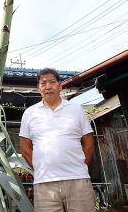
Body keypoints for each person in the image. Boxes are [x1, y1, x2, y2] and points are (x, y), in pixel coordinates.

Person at [19, 68, 96, 212]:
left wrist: (81, 166)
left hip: (77, 180)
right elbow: (24, 147)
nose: (48, 86)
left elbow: (89, 142)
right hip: (44, 184)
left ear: (60, 86)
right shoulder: (29, 113)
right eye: (43, 83)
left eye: (52, 82)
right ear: (38, 88)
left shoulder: (76, 109)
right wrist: (40, 168)